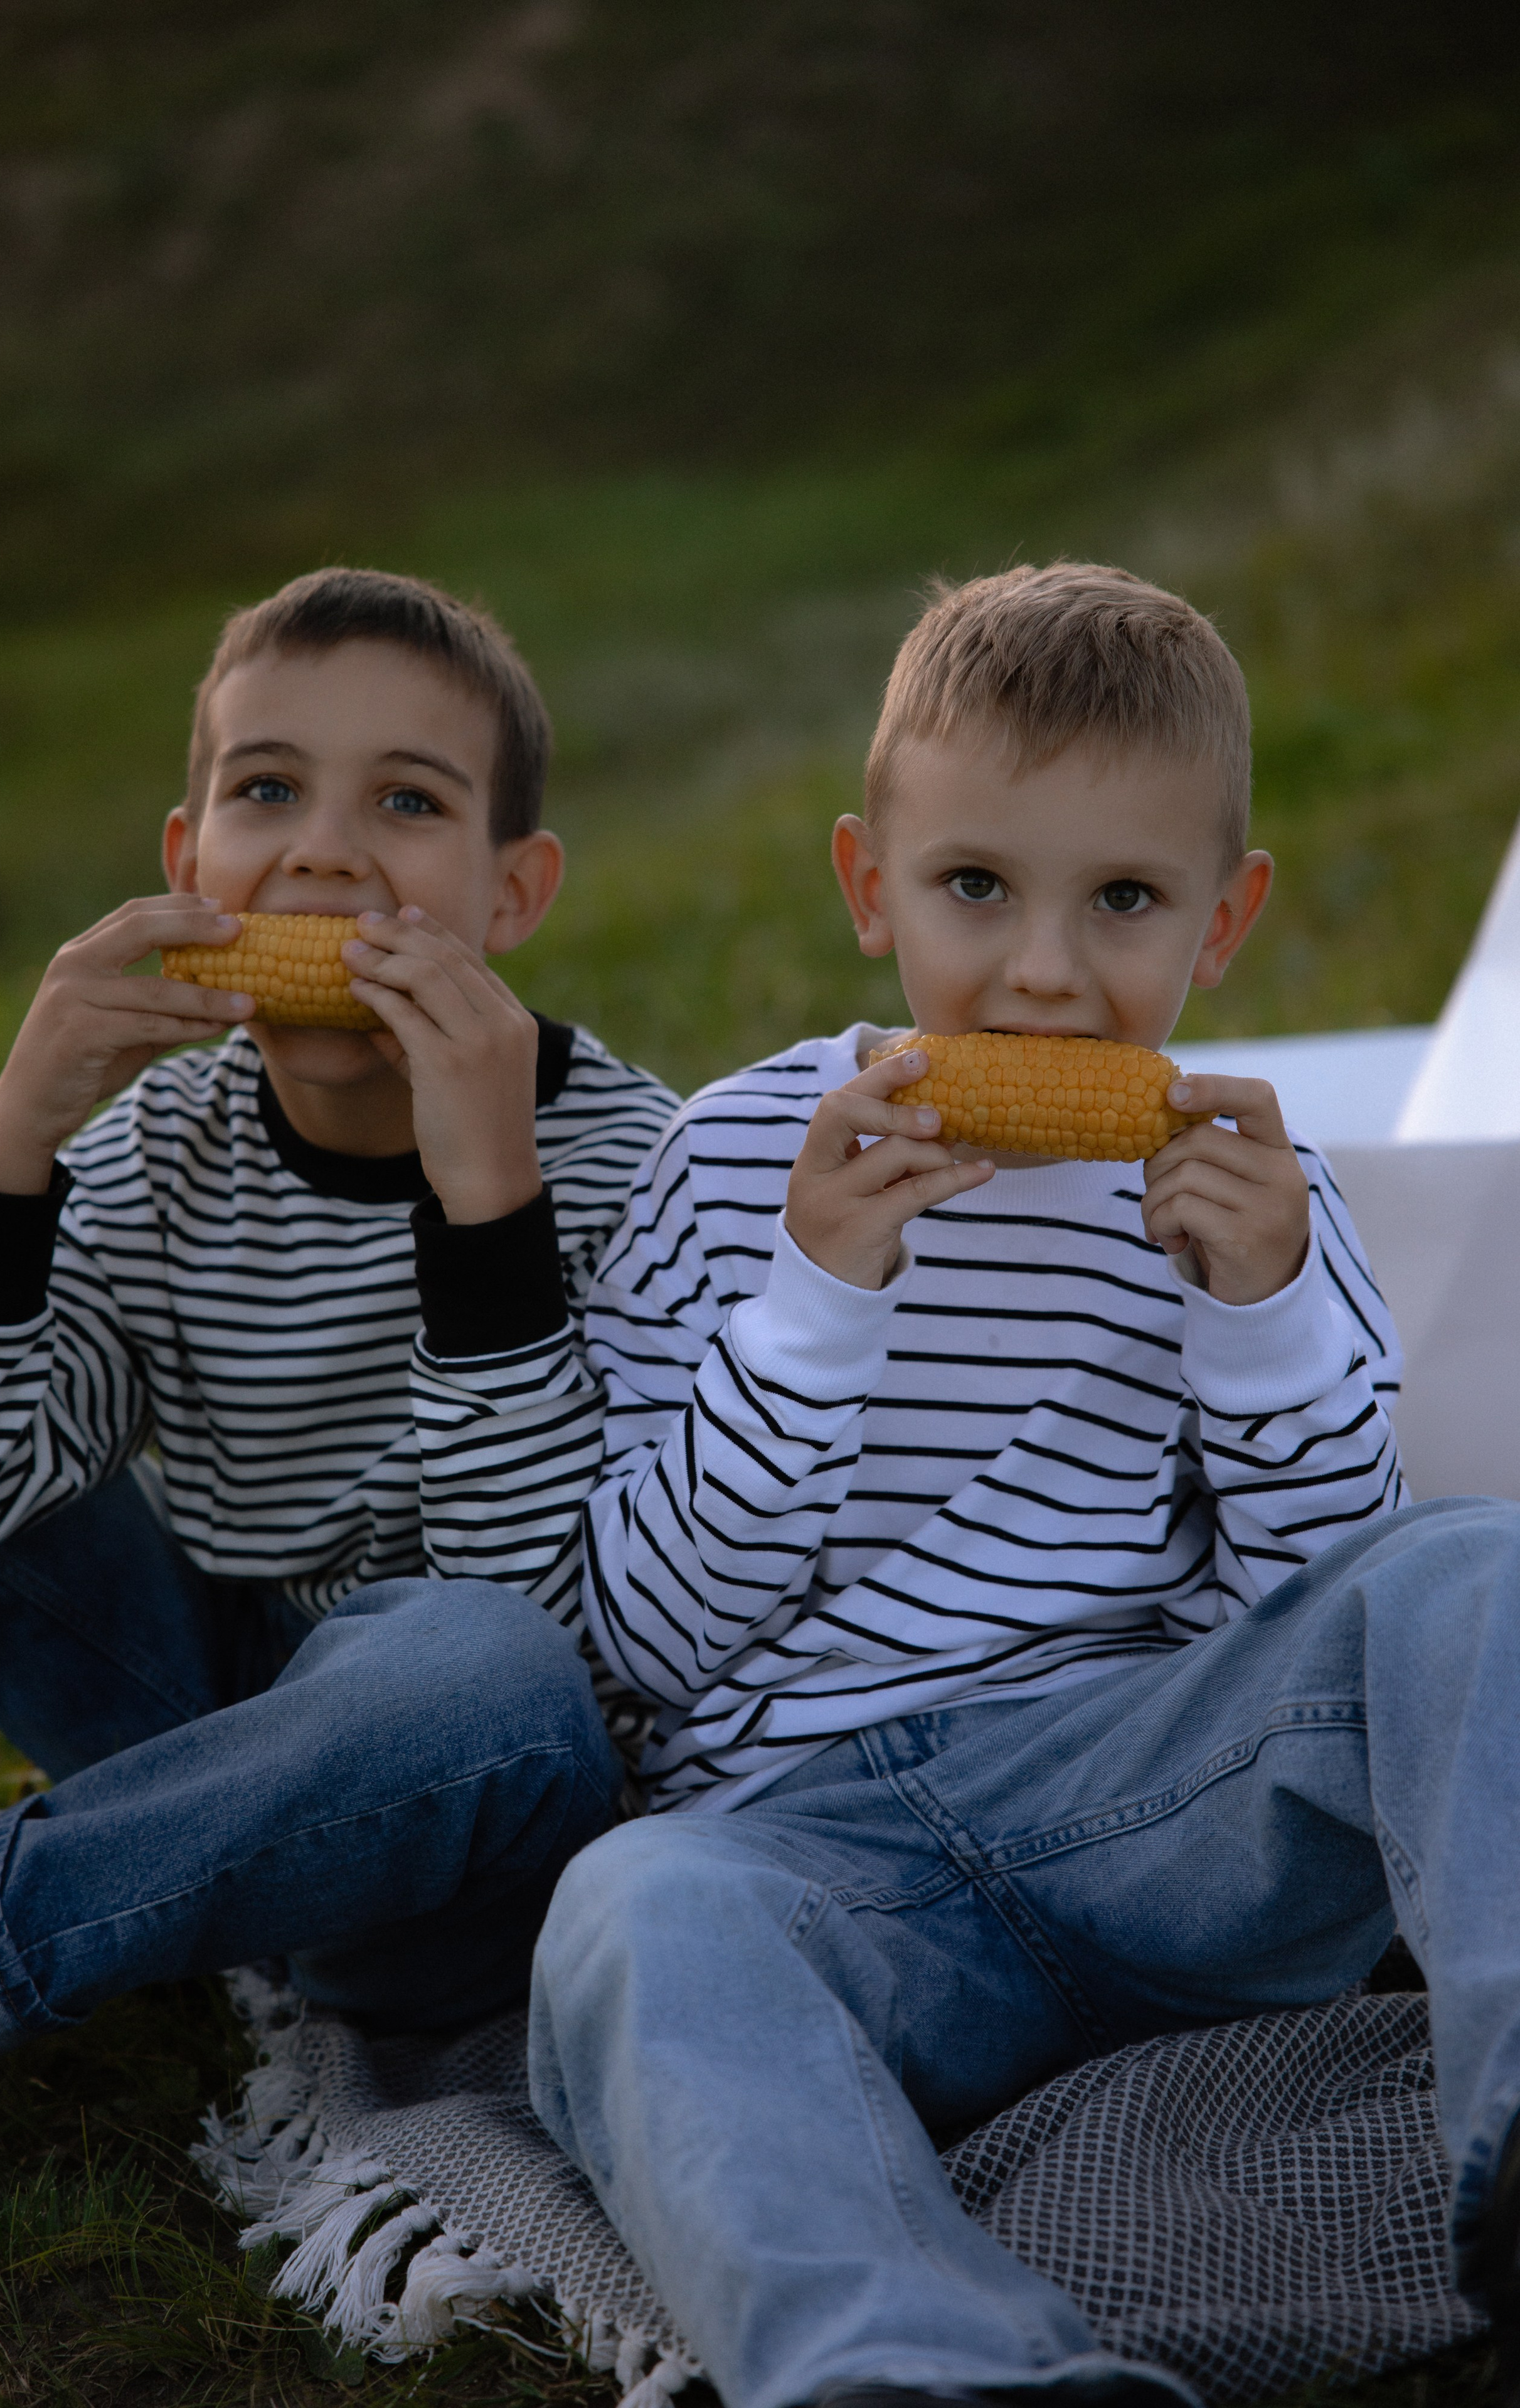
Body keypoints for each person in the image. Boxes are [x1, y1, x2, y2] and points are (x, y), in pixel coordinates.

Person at [525, 563, 1513, 2408]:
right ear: (867, 884)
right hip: (815, 1864)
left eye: (1122, 899)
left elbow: (1320, 1629)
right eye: (974, 885)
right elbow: (636, 1644)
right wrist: (814, 1308)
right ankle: (922, 2369)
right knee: (628, 1907)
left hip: (1148, 1815)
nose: (1045, 971)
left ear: (1223, 923)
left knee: (1477, 1567)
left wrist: (1262, 1323)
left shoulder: (1269, 1204)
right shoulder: (728, 1162)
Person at [0, 566, 677, 2063]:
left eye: (407, 801)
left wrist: (488, 1205)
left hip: (477, 1810)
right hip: (210, 1706)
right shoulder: (157, 1150)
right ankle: (174, 1881)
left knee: (484, 1665)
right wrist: (8, 1158)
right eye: (268, 790)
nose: (323, 851)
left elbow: (559, 1649)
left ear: (513, 891)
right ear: (188, 859)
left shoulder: (639, 1167)